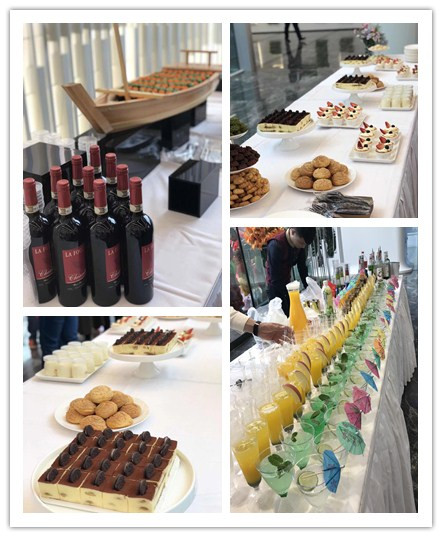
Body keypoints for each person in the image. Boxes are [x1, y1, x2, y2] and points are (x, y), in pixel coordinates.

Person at [265, 228, 316, 316]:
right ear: (292, 232)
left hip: (288, 285)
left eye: (305, 244)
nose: (303, 247)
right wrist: (288, 297)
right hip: (275, 288)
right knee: (283, 317)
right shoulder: (275, 245)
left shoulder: (299, 244)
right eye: (301, 243)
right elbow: (275, 278)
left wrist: (309, 288)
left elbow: (302, 267)